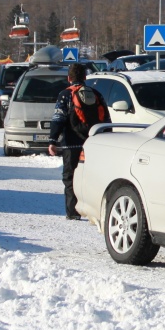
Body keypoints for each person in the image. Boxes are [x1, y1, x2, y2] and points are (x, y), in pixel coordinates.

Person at [48, 63, 110, 220]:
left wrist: (53, 140)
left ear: (69, 78)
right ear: (85, 77)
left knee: (70, 177)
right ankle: (94, 211)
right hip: (92, 143)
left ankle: (73, 211)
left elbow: (58, 118)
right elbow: (106, 119)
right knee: (92, 177)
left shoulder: (65, 95)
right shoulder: (96, 94)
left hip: (71, 144)